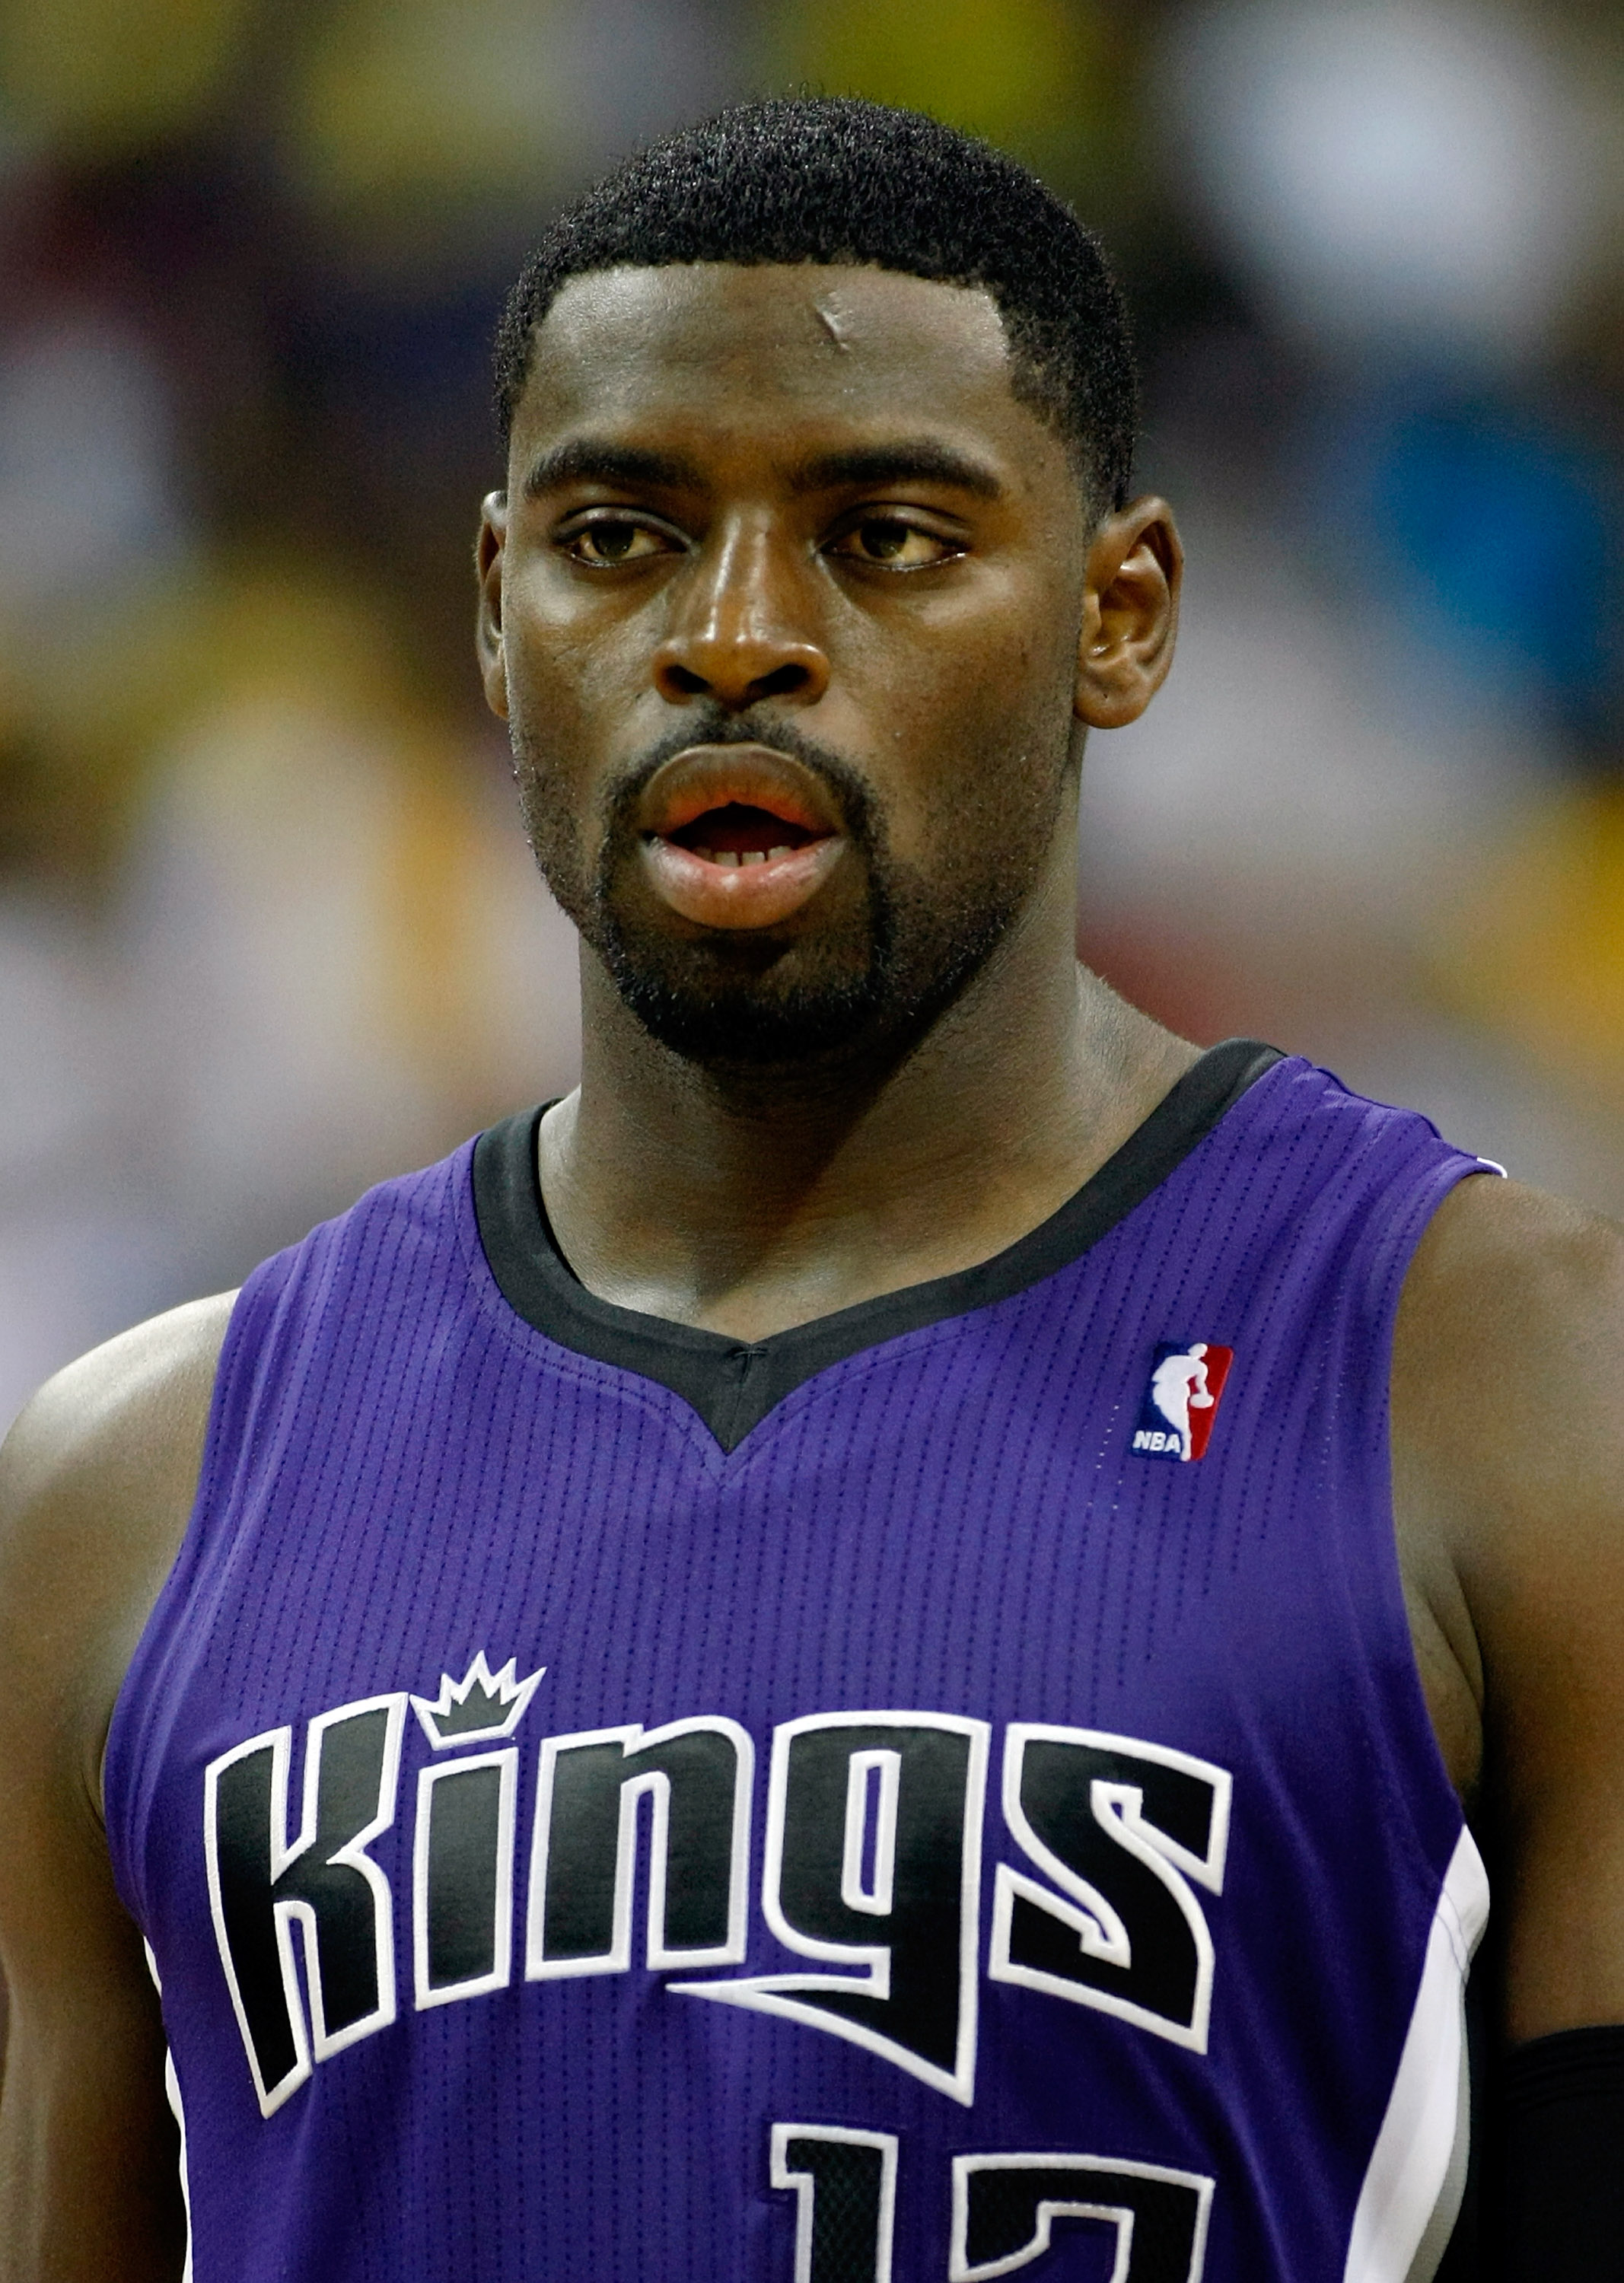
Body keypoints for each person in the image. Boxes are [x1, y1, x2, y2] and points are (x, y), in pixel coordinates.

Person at [0, 95, 1618, 2283]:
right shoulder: (136, 1490)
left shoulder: (1506, 1376)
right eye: (620, 536)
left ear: (1119, 616)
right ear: (495, 615)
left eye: (885, 536)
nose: (735, 636)